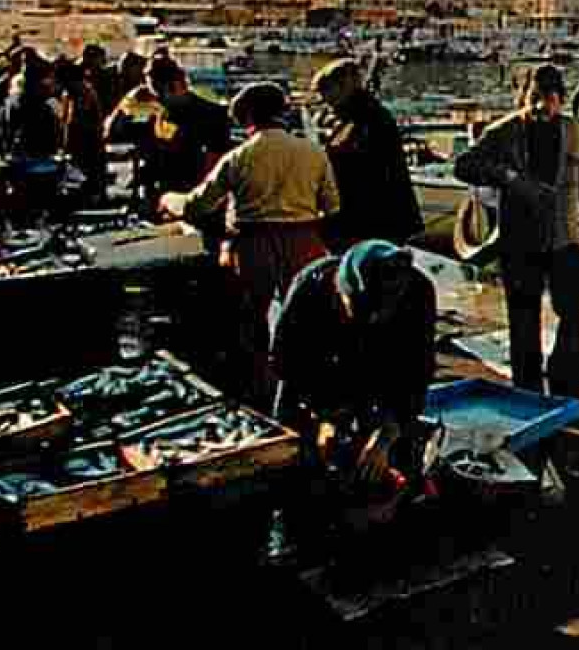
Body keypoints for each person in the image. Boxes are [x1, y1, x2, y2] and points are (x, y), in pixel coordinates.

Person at [159, 83, 339, 403]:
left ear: (247, 118)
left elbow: (197, 206)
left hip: (253, 243)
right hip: (304, 240)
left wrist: (169, 199)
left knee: (253, 321)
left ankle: (262, 387)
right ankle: (306, 386)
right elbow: (332, 205)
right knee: (304, 316)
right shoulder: (314, 152)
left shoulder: (239, 156)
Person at [453, 63, 579, 400]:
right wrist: (508, 178)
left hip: (564, 238)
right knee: (523, 320)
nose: (540, 106)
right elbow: (463, 166)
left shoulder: (572, 130)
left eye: (548, 99)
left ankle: (568, 388)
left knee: (574, 315)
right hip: (520, 241)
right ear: (523, 96)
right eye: (533, 97)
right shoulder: (504, 130)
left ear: (561, 100)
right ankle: (527, 391)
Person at [271, 240, 437, 497]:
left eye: (378, 314)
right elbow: (287, 365)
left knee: (389, 452)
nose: (368, 319)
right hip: (320, 372)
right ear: (340, 290)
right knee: (295, 466)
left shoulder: (418, 292)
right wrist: (320, 418)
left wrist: (386, 435)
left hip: (376, 367)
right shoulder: (309, 288)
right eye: (358, 310)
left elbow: (417, 373)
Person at [311, 57, 423, 251]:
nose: (324, 100)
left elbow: (357, 163)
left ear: (343, 87)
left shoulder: (367, 118)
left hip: (373, 218)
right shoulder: (361, 116)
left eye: (326, 92)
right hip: (379, 217)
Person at [108, 56, 232, 203]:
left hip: (191, 186)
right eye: (153, 90)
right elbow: (112, 133)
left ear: (176, 84)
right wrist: (127, 104)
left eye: (159, 90)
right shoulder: (153, 111)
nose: (158, 97)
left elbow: (215, 158)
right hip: (157, 188)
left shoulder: (209, 113)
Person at [54, 57, 107, 204]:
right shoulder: (87, 89)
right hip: (91, 138)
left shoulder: (74, 93)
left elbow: (69, 121)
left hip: (82, 139)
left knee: (83, 173)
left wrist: (63, 144)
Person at [2, 52, 61, 162]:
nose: (52, 83)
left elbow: (7, 131)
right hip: (38, 158)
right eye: (48, 79)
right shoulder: (48, 105)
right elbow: (53, 136)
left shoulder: (12, 101)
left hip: (19, 155)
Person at [80, 44, 120, 116]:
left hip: (99, 113)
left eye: (94, 57)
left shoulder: (105, 75)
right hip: (84, 114)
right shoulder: (79, 73)